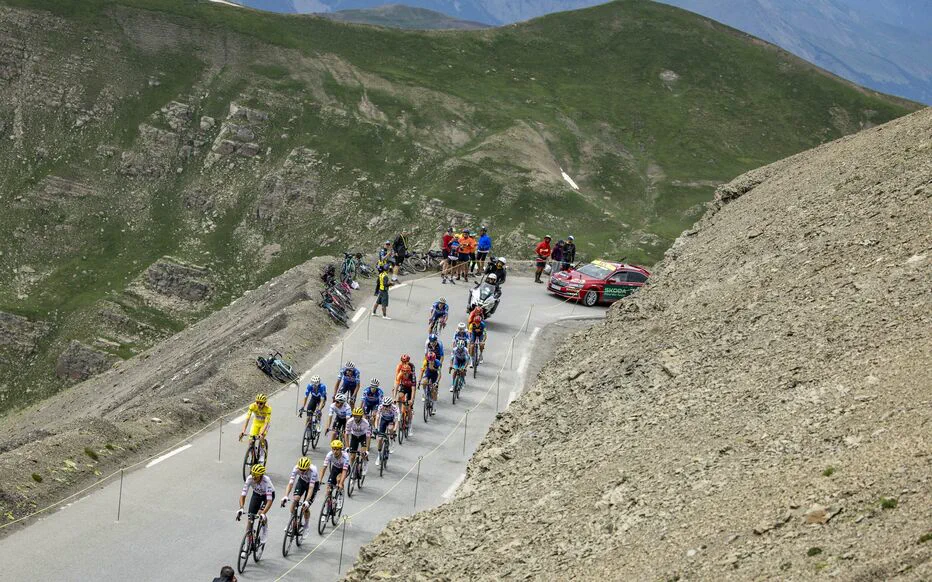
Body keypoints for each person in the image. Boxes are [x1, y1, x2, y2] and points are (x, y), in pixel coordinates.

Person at [279, 456, 319, 535]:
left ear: (308, 468)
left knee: (305, 508)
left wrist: (307, 501)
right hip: (302, 481)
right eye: (301, 469)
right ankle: (291, 521)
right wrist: (286, 496)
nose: (302, 471)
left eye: (304, 470)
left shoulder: (313, 470)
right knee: (295, 499)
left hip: (313, 484)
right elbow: (290, 483)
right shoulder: (296, 468)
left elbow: (311, 488)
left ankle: (306, 526)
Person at [236, 464, 274, 546]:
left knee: (261, 513)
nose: (253, 478)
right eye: (252, 475)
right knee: (250, 519)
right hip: (256, 494)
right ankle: (248, 545)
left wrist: (263, 513)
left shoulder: (266, 481)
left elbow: (269, 501)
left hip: (266, 496)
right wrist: (241, 508)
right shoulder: (250, 478)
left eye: (256, 476)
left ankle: (264, 529)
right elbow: (243, 495)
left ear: (261, 476)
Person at [239, 393, 271, 464]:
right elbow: (247, 419)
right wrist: (243, 431)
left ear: (264, 403)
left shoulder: (268, 409)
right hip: (256, 423)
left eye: (261, 403)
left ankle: (262, 454)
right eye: (257, 403)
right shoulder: (252, 406)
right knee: (251, 440)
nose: (259, 405)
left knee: (261, 437)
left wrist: (261, 433)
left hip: (264, 424)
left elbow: (266, 423)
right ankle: (253, 454)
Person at [374, 397, 401, 466]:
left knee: (390, 428)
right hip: (383, 419)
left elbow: (397, 421)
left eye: (387, 406)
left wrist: (394, 430)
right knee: (380, 439)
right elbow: (377, 419)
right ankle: (379, 455)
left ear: (390, 405)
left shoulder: (394, 408)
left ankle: (391, 442)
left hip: (391, 420)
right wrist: (376, 428)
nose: (385, 407)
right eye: (384, 406)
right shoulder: (380, 407)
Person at [345, 407, 371, 476]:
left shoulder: (365, 423)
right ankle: (352, 469)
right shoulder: (350, 421)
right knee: (352, 456)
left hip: (363, 437)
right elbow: (346, 434)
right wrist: (347, 447)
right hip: (354, 437)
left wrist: (367, 449)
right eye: (354, 416)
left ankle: (365, 464)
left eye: (357, 416)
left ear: (361, 416)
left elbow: (368, 437)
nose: (356, 418)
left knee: (363, 453)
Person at [394, 354, 416, 434]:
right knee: (399, 397)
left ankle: (410, 425)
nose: (405, 374)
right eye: (404, 373)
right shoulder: (400, 373)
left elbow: (413, 389)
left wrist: (411, 400)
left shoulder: (412, 375)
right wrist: (394, 397)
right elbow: (396, 385)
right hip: (404, 386)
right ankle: (400, 412)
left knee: (408, 407)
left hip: (410, 388)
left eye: (407, 373)